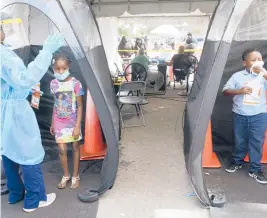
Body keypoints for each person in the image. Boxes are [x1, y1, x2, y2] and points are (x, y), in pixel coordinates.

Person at [1, 12, 65, 212]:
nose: (3, 31)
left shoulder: (5, 51)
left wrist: (26, 89)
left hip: (4, 107)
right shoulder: (2, 54)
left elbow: (10, 82)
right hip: (16, 110)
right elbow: (23, 78)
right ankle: (35, 200)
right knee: (29, 153)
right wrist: (46, 51)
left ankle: (15, 194)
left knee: (9, 151)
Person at [223, 48, 267, 184]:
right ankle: (237, 161)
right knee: (239, 139)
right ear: (244, 63)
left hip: (259, 115)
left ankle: (255, 169)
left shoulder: (264, 76)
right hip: (240, 114)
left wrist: (265, 75)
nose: (257, 62)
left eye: (259, 59)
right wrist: (239, 91)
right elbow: (225, 91)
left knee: (257, 141)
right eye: (253, 60)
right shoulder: (237, 76)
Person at [50, 54, 84, 189]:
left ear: (68, 67)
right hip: (59, 121)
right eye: (57, 69)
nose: (60, 72)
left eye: (63, 68)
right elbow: (55, 104)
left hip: (72, 121)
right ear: (53, 68)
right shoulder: (53, 83)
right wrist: (53, 122)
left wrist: (77, 125)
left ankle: (76, 175)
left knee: (75, 147)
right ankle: (66, 175)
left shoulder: (76, 84)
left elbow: (80, 106)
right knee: (62, 150)